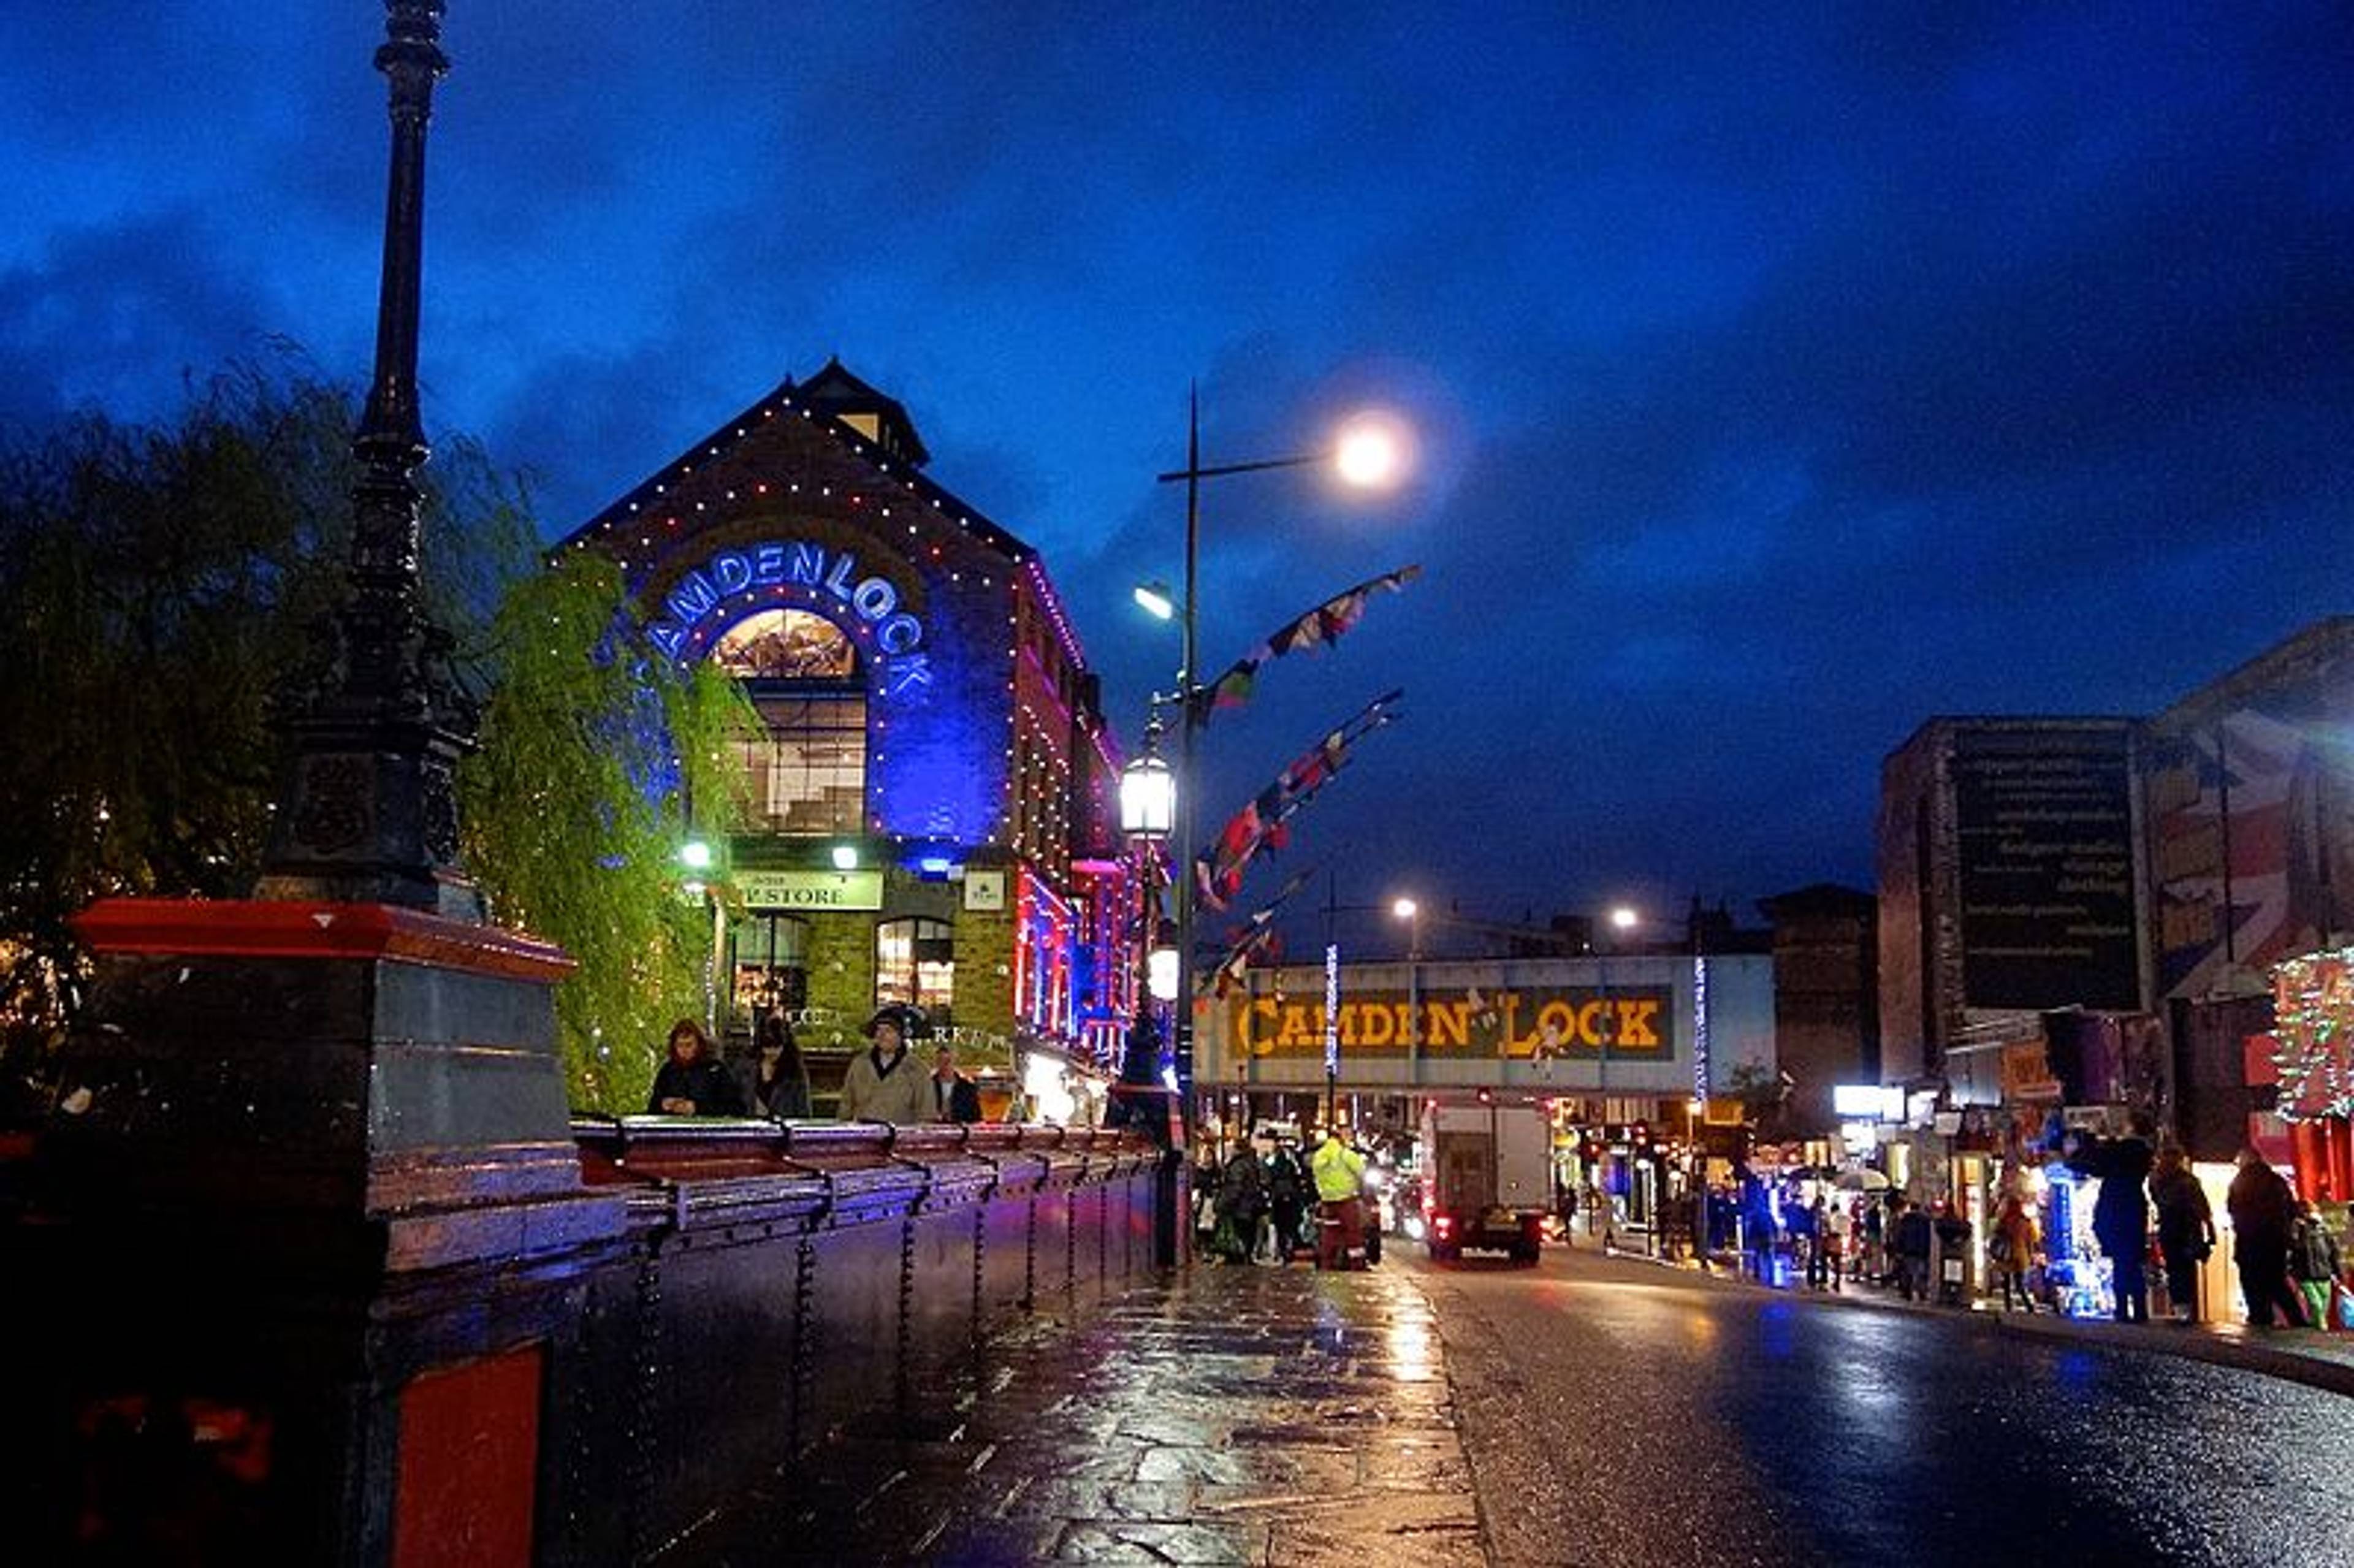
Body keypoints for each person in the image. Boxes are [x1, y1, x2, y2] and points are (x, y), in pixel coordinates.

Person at [2068, 1115, 2155, 1323]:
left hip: (2117, 1209)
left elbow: (2086, 1164)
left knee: (2123, 1263)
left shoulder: (2120, 1152)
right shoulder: (2141, 1154)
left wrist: (2092, 1143)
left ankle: (2124, 1308)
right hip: (2132, 1209)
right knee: (2131, 1262)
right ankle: (2138, 1308)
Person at [2225, 1147, 2304, 1326]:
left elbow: (2232, 1209)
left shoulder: (2240, 1182)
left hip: (2249, 1241)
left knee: (2252, 1282)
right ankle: (2297, 1319)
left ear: (2246, 1161)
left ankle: (2260, 1318)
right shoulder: (2277, 1181)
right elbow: (2292, 1210)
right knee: (2277, 1281)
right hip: (2275, 1241)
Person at [2148, 1146, 2215, 1323]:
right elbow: (2201, 1207)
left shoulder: (2156, 1179)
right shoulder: (2188, 1181)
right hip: (2187, 1231)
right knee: (2186, 1271)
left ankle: (2180, 1310)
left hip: (2169, 1231)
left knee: (2175, 1270)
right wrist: (2209, 1230)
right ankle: (2188, 1312)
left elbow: (2157, 1200)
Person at [837, 1004, 932, 1124]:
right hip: (863, 1136)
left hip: (898, 1138)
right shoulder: (859, 1064)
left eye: (888, 1031)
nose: (881, 1035)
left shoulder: (917, 1068)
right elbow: (846, 1104)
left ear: (900, 1036)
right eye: (879, 1030)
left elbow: (926, 1112)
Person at [647, 1018, 748, 1116]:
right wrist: (664, 1105)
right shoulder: (668, 1072)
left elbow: (737, 1109)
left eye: (689, 1045)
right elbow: (652, 1110)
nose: (684, 1050)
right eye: (680, 1045)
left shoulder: (716, 1071)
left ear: (699, 1045)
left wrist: (698, 1108)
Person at [1310, 1125, 1368, 1270]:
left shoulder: (1320, 1156)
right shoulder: (1345, 1154)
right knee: (1353, 1233)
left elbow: (1316, 1175)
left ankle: (1327, 1263)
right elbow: (1362, 1172)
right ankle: (1357, 1264)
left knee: (1329, 1233)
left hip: (1328, 1200)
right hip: (1346, 1199)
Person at [744, 1011, 811, 1120]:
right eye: (767, 1046)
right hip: (752, 1130)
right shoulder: (747, 1069)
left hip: (783, 1130)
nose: (771, 1052)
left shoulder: (794, 1072)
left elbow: (803, 1110)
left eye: (777, 1046)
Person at [2290, 1200, 2341, 1330]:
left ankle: (2314, 1333)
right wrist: (2304, 1229)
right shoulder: (2296, 1227)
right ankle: (2322, 1334)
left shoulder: (2324, 1228)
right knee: (2316, 1305)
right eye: (2306, 1212)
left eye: (2311, 1211)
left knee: (2323, 1308)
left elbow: (2333, 1252)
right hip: (2305, 1273)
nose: (2310, 1214)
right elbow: (2296, 1247)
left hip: (2324, 1273)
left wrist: (2337, 1272)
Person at [1217, 1143, 1267, 1264]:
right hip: (1253, 1207)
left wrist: (1223, 1204)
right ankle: (1247, 1258)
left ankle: (1239, 1259)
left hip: (1240, 1207)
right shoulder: (1254, 1163)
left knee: (1239, 1234)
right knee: (1249, 1234)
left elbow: (1235, 1187)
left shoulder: (1238, 1165)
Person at [1989, 1192, 2038, 1312]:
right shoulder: (2025, 1222)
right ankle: (2028, 1306)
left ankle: (2008, 1307)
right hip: (2020, 1255)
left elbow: (1996, 1235)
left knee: (2006, 1283)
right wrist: (2031, 1255)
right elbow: (2032, 1240)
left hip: (2006, 1255)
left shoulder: (2004, 1221)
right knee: (2019, 1284)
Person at [1265, 1141, 1309, 1265]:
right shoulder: (1291, 1165)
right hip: (1291, 1200)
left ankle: (1282, 1250)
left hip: (1278, 1200)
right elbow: (1298, 1180)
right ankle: (1291, 1249)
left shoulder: (1272, 1166)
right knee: (1291, 1226)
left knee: (1280, 1228)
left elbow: (1268, 1181)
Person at [1891, 1196, 1933, 1302]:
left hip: (1908, 1250)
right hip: (1922, 1250)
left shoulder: (1905, 1220)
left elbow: (1900, 1235)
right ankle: (1922, 1293)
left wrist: (1899, 1249)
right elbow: (1928, 1236)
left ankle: (1907, 1292)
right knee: (1922, 1273)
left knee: (1908, 1272)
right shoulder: (1926, 1220)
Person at [929, 1043, 981, 1124]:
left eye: (948, 1061)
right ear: (936, 1062)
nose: (945, 1065)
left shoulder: (968, 1088)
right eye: (941, 1060)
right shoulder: (927, 1087)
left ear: (955, 1061)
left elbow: (975, 1117)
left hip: (959, 1133)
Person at [1819, 1195, 1850, 1293]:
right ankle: (1837, 1282)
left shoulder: (1830, 1217)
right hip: (1839, 1243)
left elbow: (1827, 1229)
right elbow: (1847, 1231)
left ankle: (1824, 1279)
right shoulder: (1844, 1217)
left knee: (1824, 1259)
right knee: (1837, 1263)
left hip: (1830, 1242)